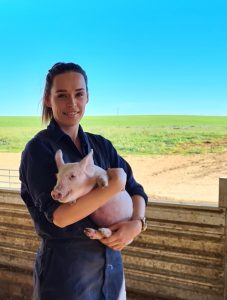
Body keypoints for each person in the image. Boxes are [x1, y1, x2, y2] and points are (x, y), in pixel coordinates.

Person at [19, 62, 148, 300]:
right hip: (66, 277)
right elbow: (60, 216)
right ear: (48, 99)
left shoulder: (102, 146)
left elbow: (135, 189)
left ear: (87, 97)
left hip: (112, 274)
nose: (72, 103)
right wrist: (113, 187)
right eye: (62, 95)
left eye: (79, 94)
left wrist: (137, 224)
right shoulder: (39, 150)